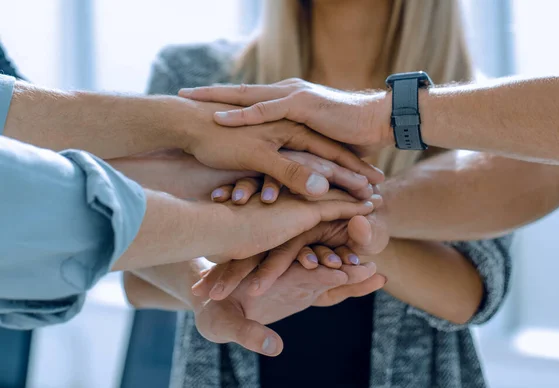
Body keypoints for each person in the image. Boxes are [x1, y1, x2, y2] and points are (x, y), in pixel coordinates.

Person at [132, 1, 511, 387]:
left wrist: (325, 224)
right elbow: (137, 271)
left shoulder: (466, 108)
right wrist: (236, 245)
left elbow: (474, 291)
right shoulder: (195, 74)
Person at [0, 41, 382, 329]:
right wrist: (222, 226)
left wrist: (200, 281)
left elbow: (33, 159)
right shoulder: (193, 63)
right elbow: (29, 189)